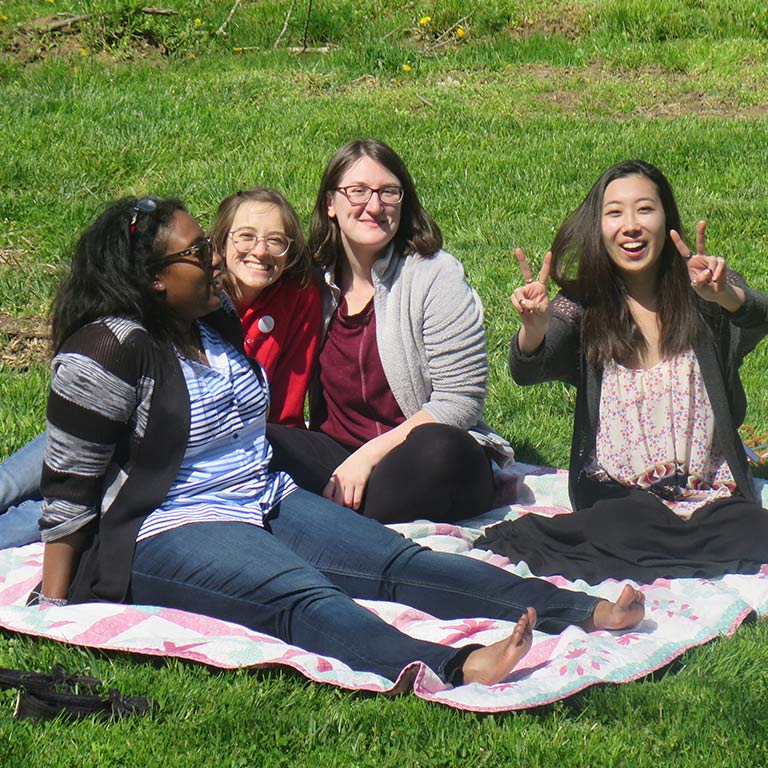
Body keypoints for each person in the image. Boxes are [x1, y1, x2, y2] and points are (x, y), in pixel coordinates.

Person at [29, 195, 644, 687]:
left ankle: (576, 610)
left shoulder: (209, 323)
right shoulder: (108, 349)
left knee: (400, 563)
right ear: (154, 280)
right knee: (302, 595)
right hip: (170, 529)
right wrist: (55, 607)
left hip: (264, 497)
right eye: (197, 252)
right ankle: (448, 664)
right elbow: (70, 483)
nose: (214, 260)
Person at [474, 160, 768, 584]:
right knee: (624, 523)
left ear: (667, 220)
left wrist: (728, 296)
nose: (630, 225)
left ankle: (669, 545)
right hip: (620, 495)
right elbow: (527, 368)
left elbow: (759, 317)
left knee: (749, 528)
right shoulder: (582, 305)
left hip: (710, 496)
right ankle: (671, 545)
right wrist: (533, 329)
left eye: (644, 209)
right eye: (615, 213)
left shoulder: (706, 292)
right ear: (599, 227)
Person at [0, 187, 322, 546]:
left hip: (179, 454)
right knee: (14, 482)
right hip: (115, 420)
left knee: (49, 511)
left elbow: (286, 401)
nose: (260, 251)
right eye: (246, 236)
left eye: (277, 240)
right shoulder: (190, 294)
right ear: (220, 241)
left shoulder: (293, 298)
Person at [267, 138, 514, 524]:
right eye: (357, 192)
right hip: (338, 455)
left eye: (388, 193)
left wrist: (368, 457)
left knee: (440, 449)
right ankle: (345, 521)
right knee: (254, 440)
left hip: (421, 459)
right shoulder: (312, 286)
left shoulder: (435, 274)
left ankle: (337, 527)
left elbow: (460, 401)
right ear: (330, 204)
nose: (374, 205)